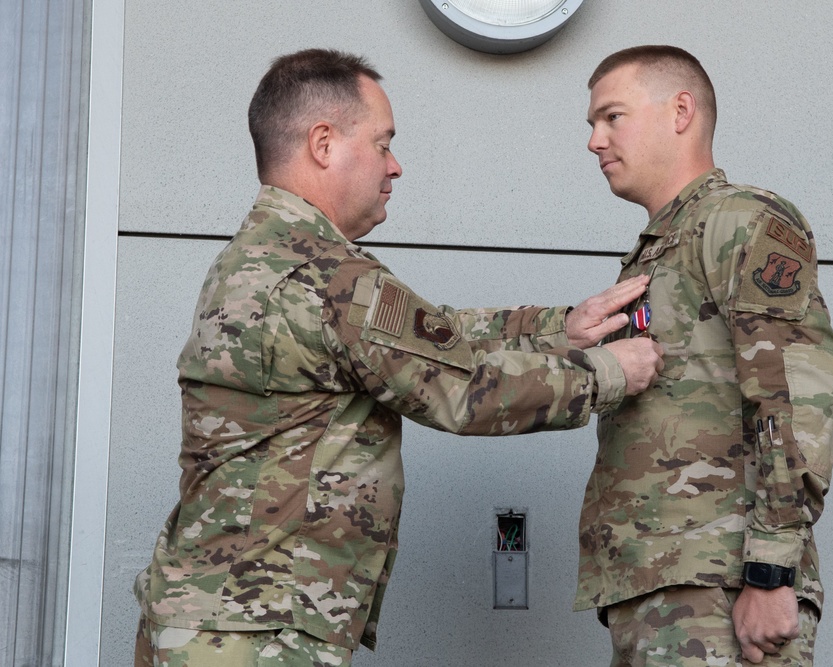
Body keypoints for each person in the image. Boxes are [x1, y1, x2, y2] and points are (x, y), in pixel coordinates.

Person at [132, 48, 664, 666]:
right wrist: (609, 373)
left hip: (222, 619)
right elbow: (461, 390)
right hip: (254, 631)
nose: (396, 166)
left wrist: (559, 329)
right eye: (383, 143)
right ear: (323, 144)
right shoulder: (323, 274)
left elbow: (426, 338)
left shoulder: (265, 256)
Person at [575, 45, 833, 666]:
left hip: (722, 584)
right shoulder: (659, 247)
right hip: (663, 584)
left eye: (611, 116)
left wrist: (770, 573)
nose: (595, 140)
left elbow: (798, 395)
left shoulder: (740, 220)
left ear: (680, 111)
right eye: (593, 124)